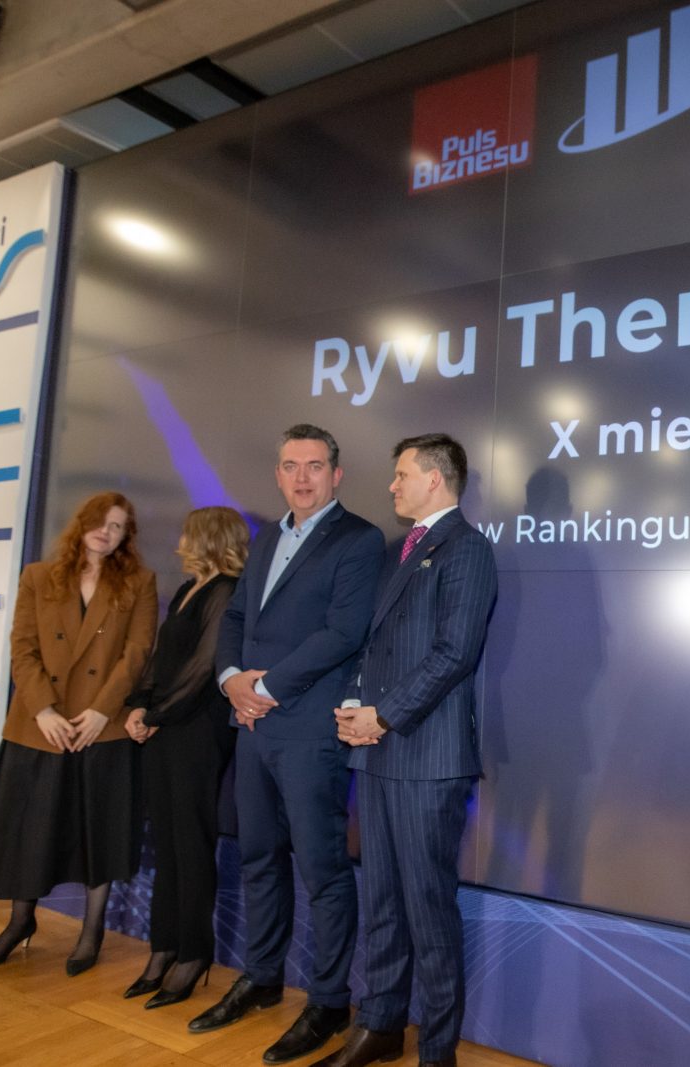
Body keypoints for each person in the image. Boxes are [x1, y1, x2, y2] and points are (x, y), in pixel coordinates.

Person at [188, 424, 383, 1066]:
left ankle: (327, 1002)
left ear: (337, 474)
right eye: (291, 466)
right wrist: (230, 680)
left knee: (322, 871)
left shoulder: (358, 539)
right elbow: (236, 618)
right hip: (252, 727)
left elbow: (343, 633)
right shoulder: (269, 536)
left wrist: (263, 687)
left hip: (307, 731)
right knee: (258, 859)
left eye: (315, 466)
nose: (302, 477)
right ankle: (263, 976)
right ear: (277, 474)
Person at [313, 433, 498, 1067]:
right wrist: (354, 708)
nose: (391, 485)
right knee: (382, 902)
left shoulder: (467, 549)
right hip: (378, 753)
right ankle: (380, 1025)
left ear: (435, 479)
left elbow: (454, 654)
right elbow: (373, 649)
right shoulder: (400, 551)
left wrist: (384, 715)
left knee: (427, 909)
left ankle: (437, 1051)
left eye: (401, 475)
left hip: (428, 757)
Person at [0, 491, 158, 976]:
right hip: (40, 727)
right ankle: (19, 922)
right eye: (100, 521)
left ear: (126, 536)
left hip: (101, 729)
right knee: (29, 831)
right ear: (82, 523)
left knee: (99, 831)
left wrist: (100, 712)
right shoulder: (38, 577)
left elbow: (137, 654)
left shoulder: (139, 582)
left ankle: (91, 932)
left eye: (117, 526)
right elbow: (23, 648)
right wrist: (44, 711)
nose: (106, 532)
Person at [122, 506, 251, 1009]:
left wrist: (156, 714)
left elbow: (204, 669)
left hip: (198, 732)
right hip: (165, 728)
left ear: (208, 538)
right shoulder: (186, 589)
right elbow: (162, 660)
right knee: (168, 844)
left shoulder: (226, 591)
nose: (180, 541)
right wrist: (139, 705)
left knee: (192, 843)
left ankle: (194, 954)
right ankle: (164, 948)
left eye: (188, 533)